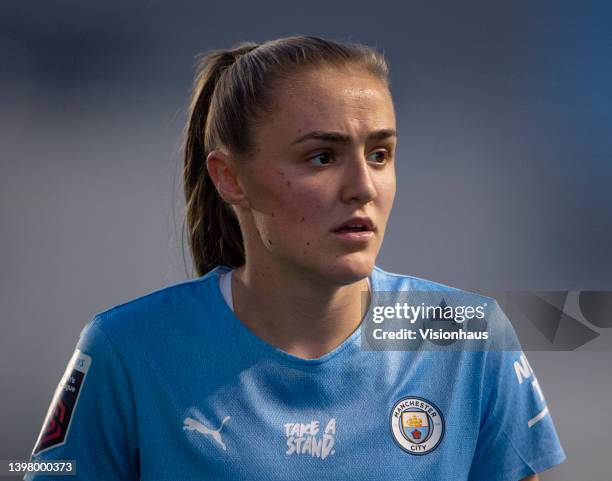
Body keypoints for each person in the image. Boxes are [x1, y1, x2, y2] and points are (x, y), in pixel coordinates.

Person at [25, 35, 565, 480]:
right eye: (322, 157)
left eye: (380, 154)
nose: (362, 187)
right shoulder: (125, 351)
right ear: (231, 178)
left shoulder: (468, 336)